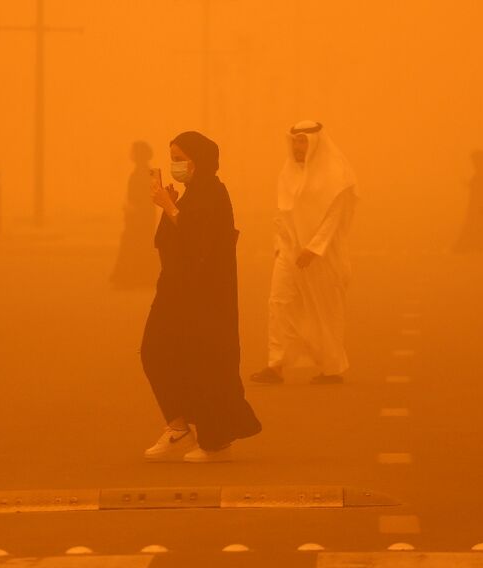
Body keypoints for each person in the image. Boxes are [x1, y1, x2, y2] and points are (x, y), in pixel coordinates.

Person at [141, 131, 261, 463]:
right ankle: (177, 425)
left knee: (206, 363)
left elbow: (203, 245)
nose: (176, 165)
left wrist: (172, 209)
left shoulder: (214, 193)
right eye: (172, 159)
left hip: (204, 299)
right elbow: (168, 243)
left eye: (181, 158)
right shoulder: (191, 194)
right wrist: (171, 207)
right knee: (154, 350)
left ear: (201, 160)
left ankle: (215, 440)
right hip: (175, 291)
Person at [250, 120, 358, 386]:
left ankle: (331, 367)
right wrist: (279, 247)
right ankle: (276, 365)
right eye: (295, 141)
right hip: (289, 251)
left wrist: (314, 248)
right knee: (278, 303)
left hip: (324, 256)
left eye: (303, 141)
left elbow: (335, 217)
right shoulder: (288, 172)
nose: (298, 147)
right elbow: (281, 213)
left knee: (324, 310)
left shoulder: (337, 174)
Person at [110, 141, 159, 289]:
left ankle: (133, 278)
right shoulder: (151, 172)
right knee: (143, 244)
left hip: (140, 216)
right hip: (144, 215)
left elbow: (148, 196)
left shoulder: (142, 173)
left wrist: (133, 209)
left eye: (133, 152)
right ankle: (144, 277)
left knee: (136, 243)